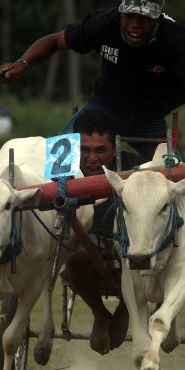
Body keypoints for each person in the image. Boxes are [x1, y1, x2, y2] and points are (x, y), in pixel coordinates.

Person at [0, 0, 185, 160]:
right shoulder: (103, 23)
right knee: (59, 157)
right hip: (103, 108)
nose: (135, 24)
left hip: (149, 120)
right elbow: (55, 41)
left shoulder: (178, 41)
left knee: (174, 173)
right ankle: (63, 210)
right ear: (121, 13)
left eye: (144, 18)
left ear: (158, 19)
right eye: (130, 15)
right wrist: (21, 63)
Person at [60, 110, 129, 355]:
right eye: (85, 150)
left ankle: (126, 309)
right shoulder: (61, 169)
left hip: (129, 247)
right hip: (84, 248)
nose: (91, 159)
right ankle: (100, 313)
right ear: (74, 147)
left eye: (100, 150)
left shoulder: (136, 168)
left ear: (115, 148)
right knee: (73, 253)